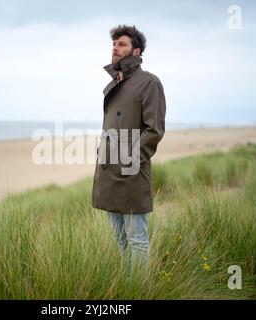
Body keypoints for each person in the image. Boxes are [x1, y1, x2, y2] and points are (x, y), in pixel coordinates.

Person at [92, 24, 166, 272]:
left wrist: (129, 159)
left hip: (131, 172)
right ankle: (127, 288)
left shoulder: (149, 83)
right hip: (109, 172)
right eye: (113, 44)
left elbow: (154, 131)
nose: (115, 48)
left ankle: (140, 291)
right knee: (120, 240)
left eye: (121, 44)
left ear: (136, 51)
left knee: (137, 240)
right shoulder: (115, 83)